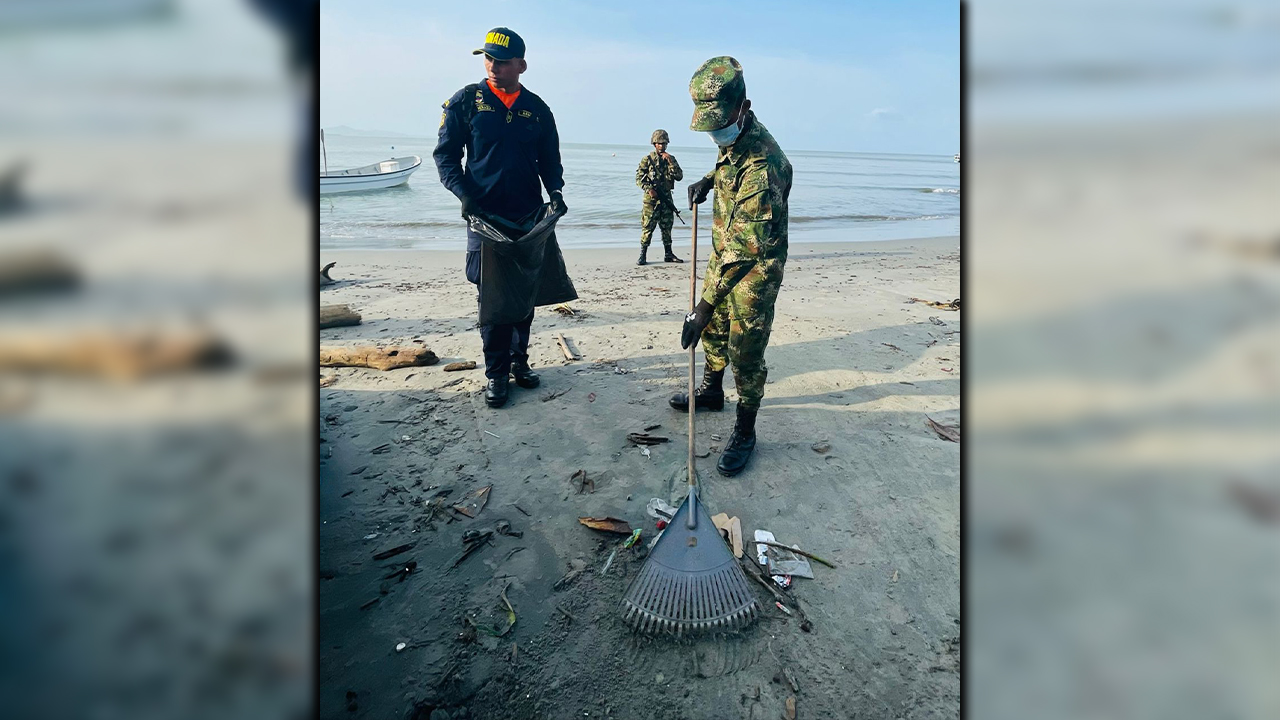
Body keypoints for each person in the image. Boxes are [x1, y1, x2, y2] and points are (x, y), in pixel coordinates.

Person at [434, 27, 567, 409]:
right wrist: (463, 195)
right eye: (488, 58)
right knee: (491, 296)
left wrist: (556, 192)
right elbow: (445, 156)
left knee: (524, 294)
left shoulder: (538, 110)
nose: (493, 66)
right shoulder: (466, 101)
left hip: (528, 216)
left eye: (502, 61)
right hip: (484, 216)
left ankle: (518, 362)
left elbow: (550, 162)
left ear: (521, 65)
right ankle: (496, 374)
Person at [671, 56, 792, 477]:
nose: (716, 134)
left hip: (752, 270)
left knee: (745, 349)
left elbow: (745, 248)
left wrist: (701, 307)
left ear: (744, 107)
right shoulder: (737, 142)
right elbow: (731, 163)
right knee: (716, 330)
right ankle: (710, 392)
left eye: (720, 123)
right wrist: (710, 179)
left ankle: (745, 429)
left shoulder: (765, 165)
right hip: (725, 256)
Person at [634, 129, 684, 265]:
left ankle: (668, 254)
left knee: (667, 227)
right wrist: (648, 189)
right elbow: (639, 178)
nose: (662, 146)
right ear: (654, 144)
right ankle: (642, 254)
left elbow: (679, 176)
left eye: (664, 143)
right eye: (659, 143)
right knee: (648, 227)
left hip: (666, 198)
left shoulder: (670, 158)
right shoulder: (647, 160)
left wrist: (671, 162)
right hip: (651, 201)